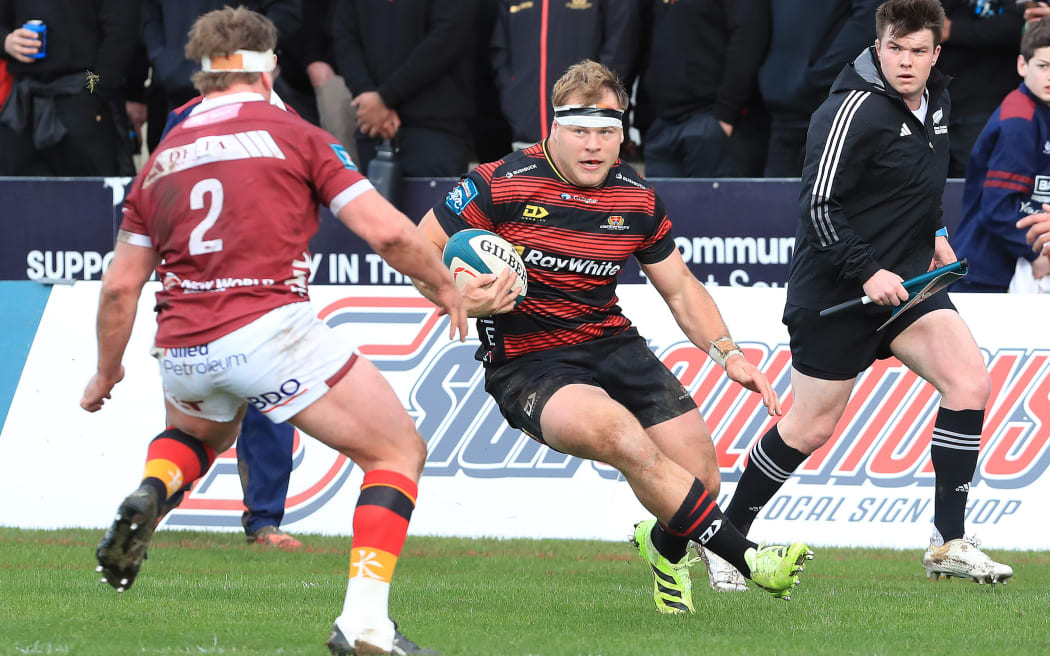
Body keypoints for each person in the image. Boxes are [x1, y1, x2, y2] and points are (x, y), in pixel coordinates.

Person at [81, 8, 464, 655]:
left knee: (196, 435)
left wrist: (106, 370)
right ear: (271, 69)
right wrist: (444, 283)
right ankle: (365, 622)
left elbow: (121, 286)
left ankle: (155, 488)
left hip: (182, 344)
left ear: (200, 77)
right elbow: (390, 231)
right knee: (396, 453)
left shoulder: (163, 159)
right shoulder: (294, 133)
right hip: (265, 329)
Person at [414, 60, 813, 615]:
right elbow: (418, 248)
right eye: (580, 130)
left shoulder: (636, 197)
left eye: (607, 131)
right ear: (553, 127)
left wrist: (728, 353)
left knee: (700, 479)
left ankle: (663, 546)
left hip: (612, 345)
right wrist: (457, 296)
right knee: (621, 437)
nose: (594, 145)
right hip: (530, 362)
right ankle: (747, 556)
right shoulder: (498, 181)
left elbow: (680, 289)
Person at [722, 0, 1013, 587]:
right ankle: (726, 540)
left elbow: (926, 184)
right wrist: (866, 272)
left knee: (969, 381)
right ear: (879, 46)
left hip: (906, 285)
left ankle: (947, 541)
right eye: (895, 49)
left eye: (918, 51)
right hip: (838, 290)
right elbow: (817, 206)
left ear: (937, 53)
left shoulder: (938, 98)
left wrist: (935, 236)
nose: (906, 62)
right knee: (808, 427)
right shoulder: (848, 109)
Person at [953, 17, 1050, 293]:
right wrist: (1038, 253)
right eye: (1043, 66)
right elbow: (998, 208)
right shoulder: (1019, 118)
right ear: (1022, 65)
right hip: (988, 274)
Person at [332, 0, 479, 177]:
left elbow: (449, 36)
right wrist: (365, 91)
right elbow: (343, 36)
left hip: (433, 131)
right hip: (374, 127)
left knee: (436, 204)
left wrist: (383, 98)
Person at [0, 0, 140, 176]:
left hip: (83, 99)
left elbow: (119, 36)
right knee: (19, 199)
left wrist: (91, 95)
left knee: (89, 199)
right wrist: (7, 41)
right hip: (24, 105)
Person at [634, 0, 770, 178]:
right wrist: (646, 119)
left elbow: (749, 35)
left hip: (713, 123)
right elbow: (650, 42)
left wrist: (726, 115)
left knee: (717, 205)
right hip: (662, 127)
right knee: (664, 205)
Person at [491, 0, 639, 151]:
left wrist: (599, 96)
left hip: (590, 136)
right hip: (526, 134)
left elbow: (620, 44)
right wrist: (512, 97)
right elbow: (500, 51)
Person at [758, 0, 880, 178]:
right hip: (782, 108)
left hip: (836, 107)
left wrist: (817, 76)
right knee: (774, 200)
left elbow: (870, 20)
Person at [937, 1, 1025, 178]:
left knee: (978, 186)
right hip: (933, 102)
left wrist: (953, 29)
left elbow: (1020, 24)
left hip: (987, 104)